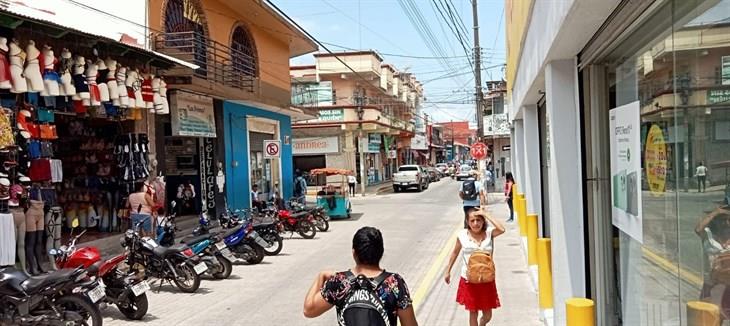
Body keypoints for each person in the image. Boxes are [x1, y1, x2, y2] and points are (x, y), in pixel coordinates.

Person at [303, 226, 418, 326]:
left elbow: (308, 310)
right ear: (381, 252)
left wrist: (321, 276)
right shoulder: (394, 283)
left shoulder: (340, 282)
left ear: (354, 253)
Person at [443, 208, 505, 326]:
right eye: (472, 221)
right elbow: (455, 253)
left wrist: (486, 214)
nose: (475, 223)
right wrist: (448, 270)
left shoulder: (489, 233)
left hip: (486, 278)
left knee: (487, 315)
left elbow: (502, 229)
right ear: (467, 222)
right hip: (469, 279)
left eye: (478, 220)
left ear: (483, 221)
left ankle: (482, 324)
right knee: (473, 312)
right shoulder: (462, 235)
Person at [695, 206, 730, 318]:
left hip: (727, 284)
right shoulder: (709, 237)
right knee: (708, 318)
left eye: (728, 220)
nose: (725, 223)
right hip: (711, 285)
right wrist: (716, 212)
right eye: (722, 220)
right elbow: (698, 229)